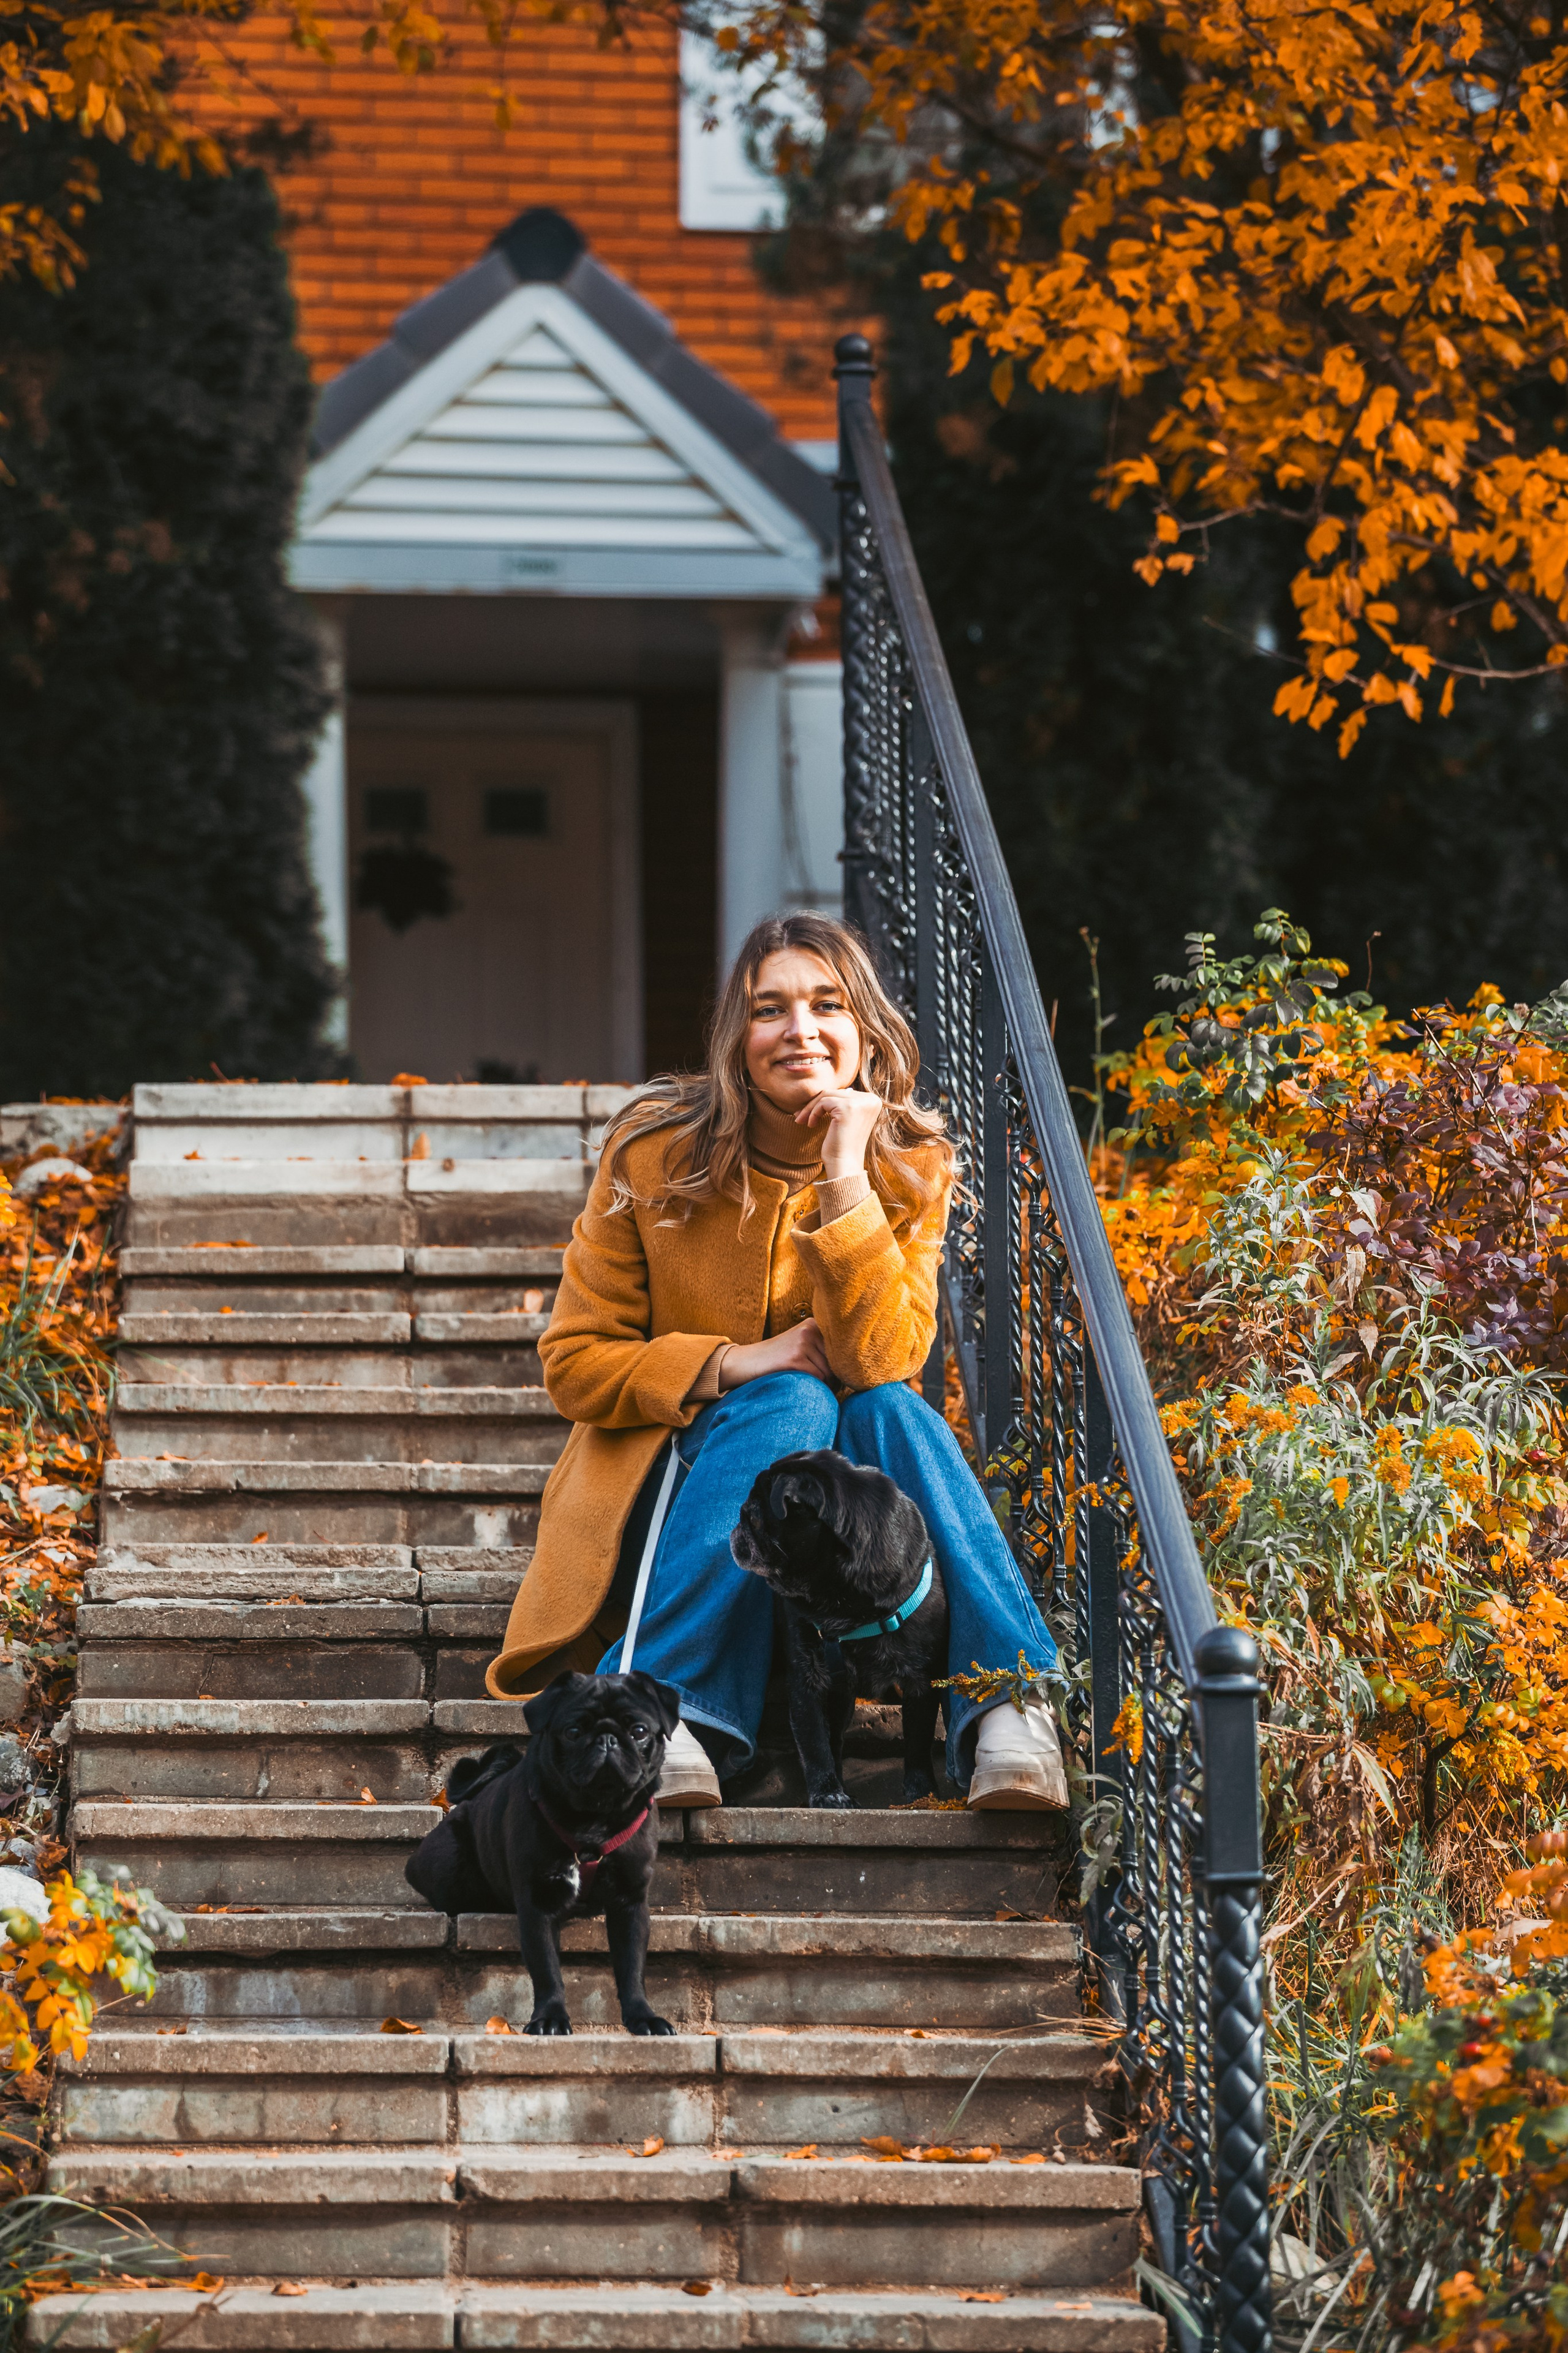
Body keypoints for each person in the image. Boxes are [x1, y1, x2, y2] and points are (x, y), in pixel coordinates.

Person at [486, 912, 1067, 1812]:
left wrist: (845, 1174)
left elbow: (882, 1358)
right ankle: (667, 1707)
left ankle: (1009, 1707)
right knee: (792, 1399)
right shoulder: (656, 1152)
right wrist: (735, 1363)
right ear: (737, 1037)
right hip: (674, 1498)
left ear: (864, 1028)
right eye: (771, 1009)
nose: (801, 1029)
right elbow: (574, 1362)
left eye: (826, 1003)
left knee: (891, 1413)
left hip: (820, 1535)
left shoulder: (909, 1166)